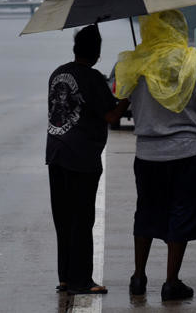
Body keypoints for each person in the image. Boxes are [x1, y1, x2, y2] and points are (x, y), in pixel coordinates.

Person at [115, 10, 196, 301]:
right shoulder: (195, 66)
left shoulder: (134, 67)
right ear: (179, 28)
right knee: (182, 214)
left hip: (147, 155)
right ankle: (171, 282)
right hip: (188, 154)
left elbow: (121, 101)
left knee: (146, 212)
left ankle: (138, 277)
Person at [46, 24, 129, 295]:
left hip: (56, 153)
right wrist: (128, 95)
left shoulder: (57, 74)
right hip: (81, 158)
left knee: (64, 218)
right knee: (82, 219)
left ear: (74, 48)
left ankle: (65, 278)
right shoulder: (92, 78)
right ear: (97, 52)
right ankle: (82, 281)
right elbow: (111, 116)